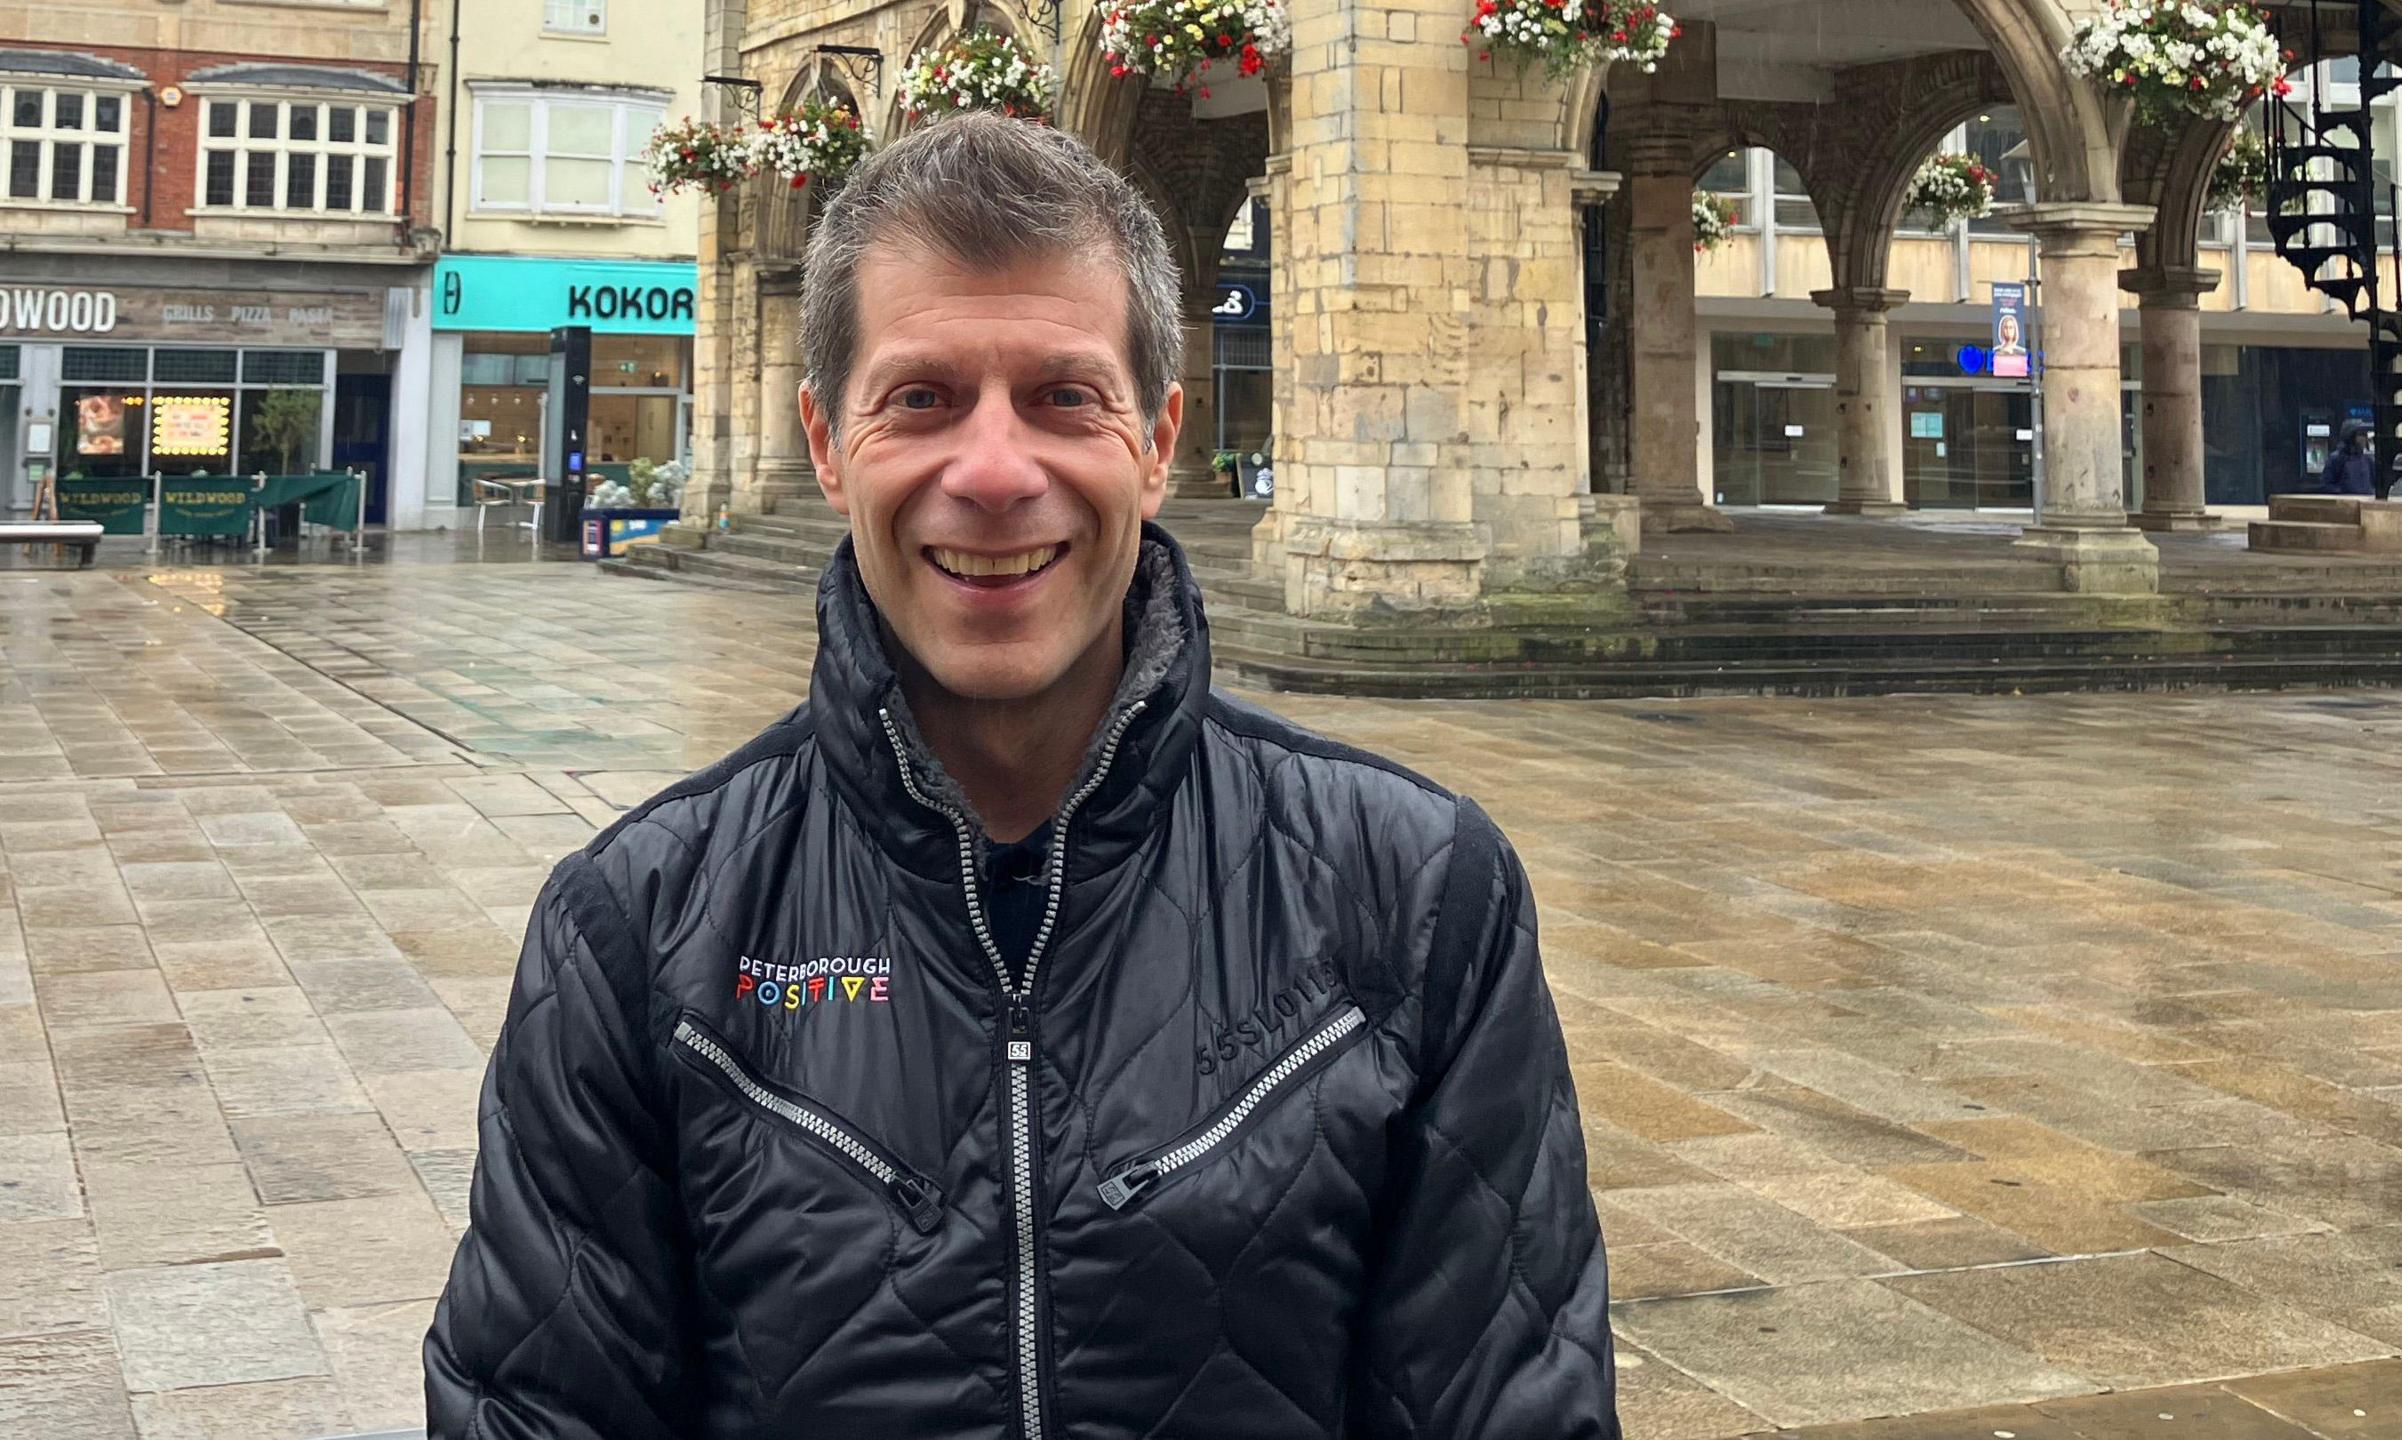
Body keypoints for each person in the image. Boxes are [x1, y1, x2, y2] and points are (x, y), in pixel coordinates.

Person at [424, 114, 1616, 1440]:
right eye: (922, 398)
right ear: (825, 445)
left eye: (1063, 396)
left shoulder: (1417, 892)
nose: (994, 474)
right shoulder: (639, 929)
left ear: (1159, 441)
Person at [2321, 423, 2377, 497]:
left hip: (2366, 504)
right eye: (2361, 435)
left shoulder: (2367, 460)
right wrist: (2343, 494)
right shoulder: (2337, 459)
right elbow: (2327, 484)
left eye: (2365, 435)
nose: (2364, 439)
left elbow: (2375, 483)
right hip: (2346, 504)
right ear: (2350, 437)